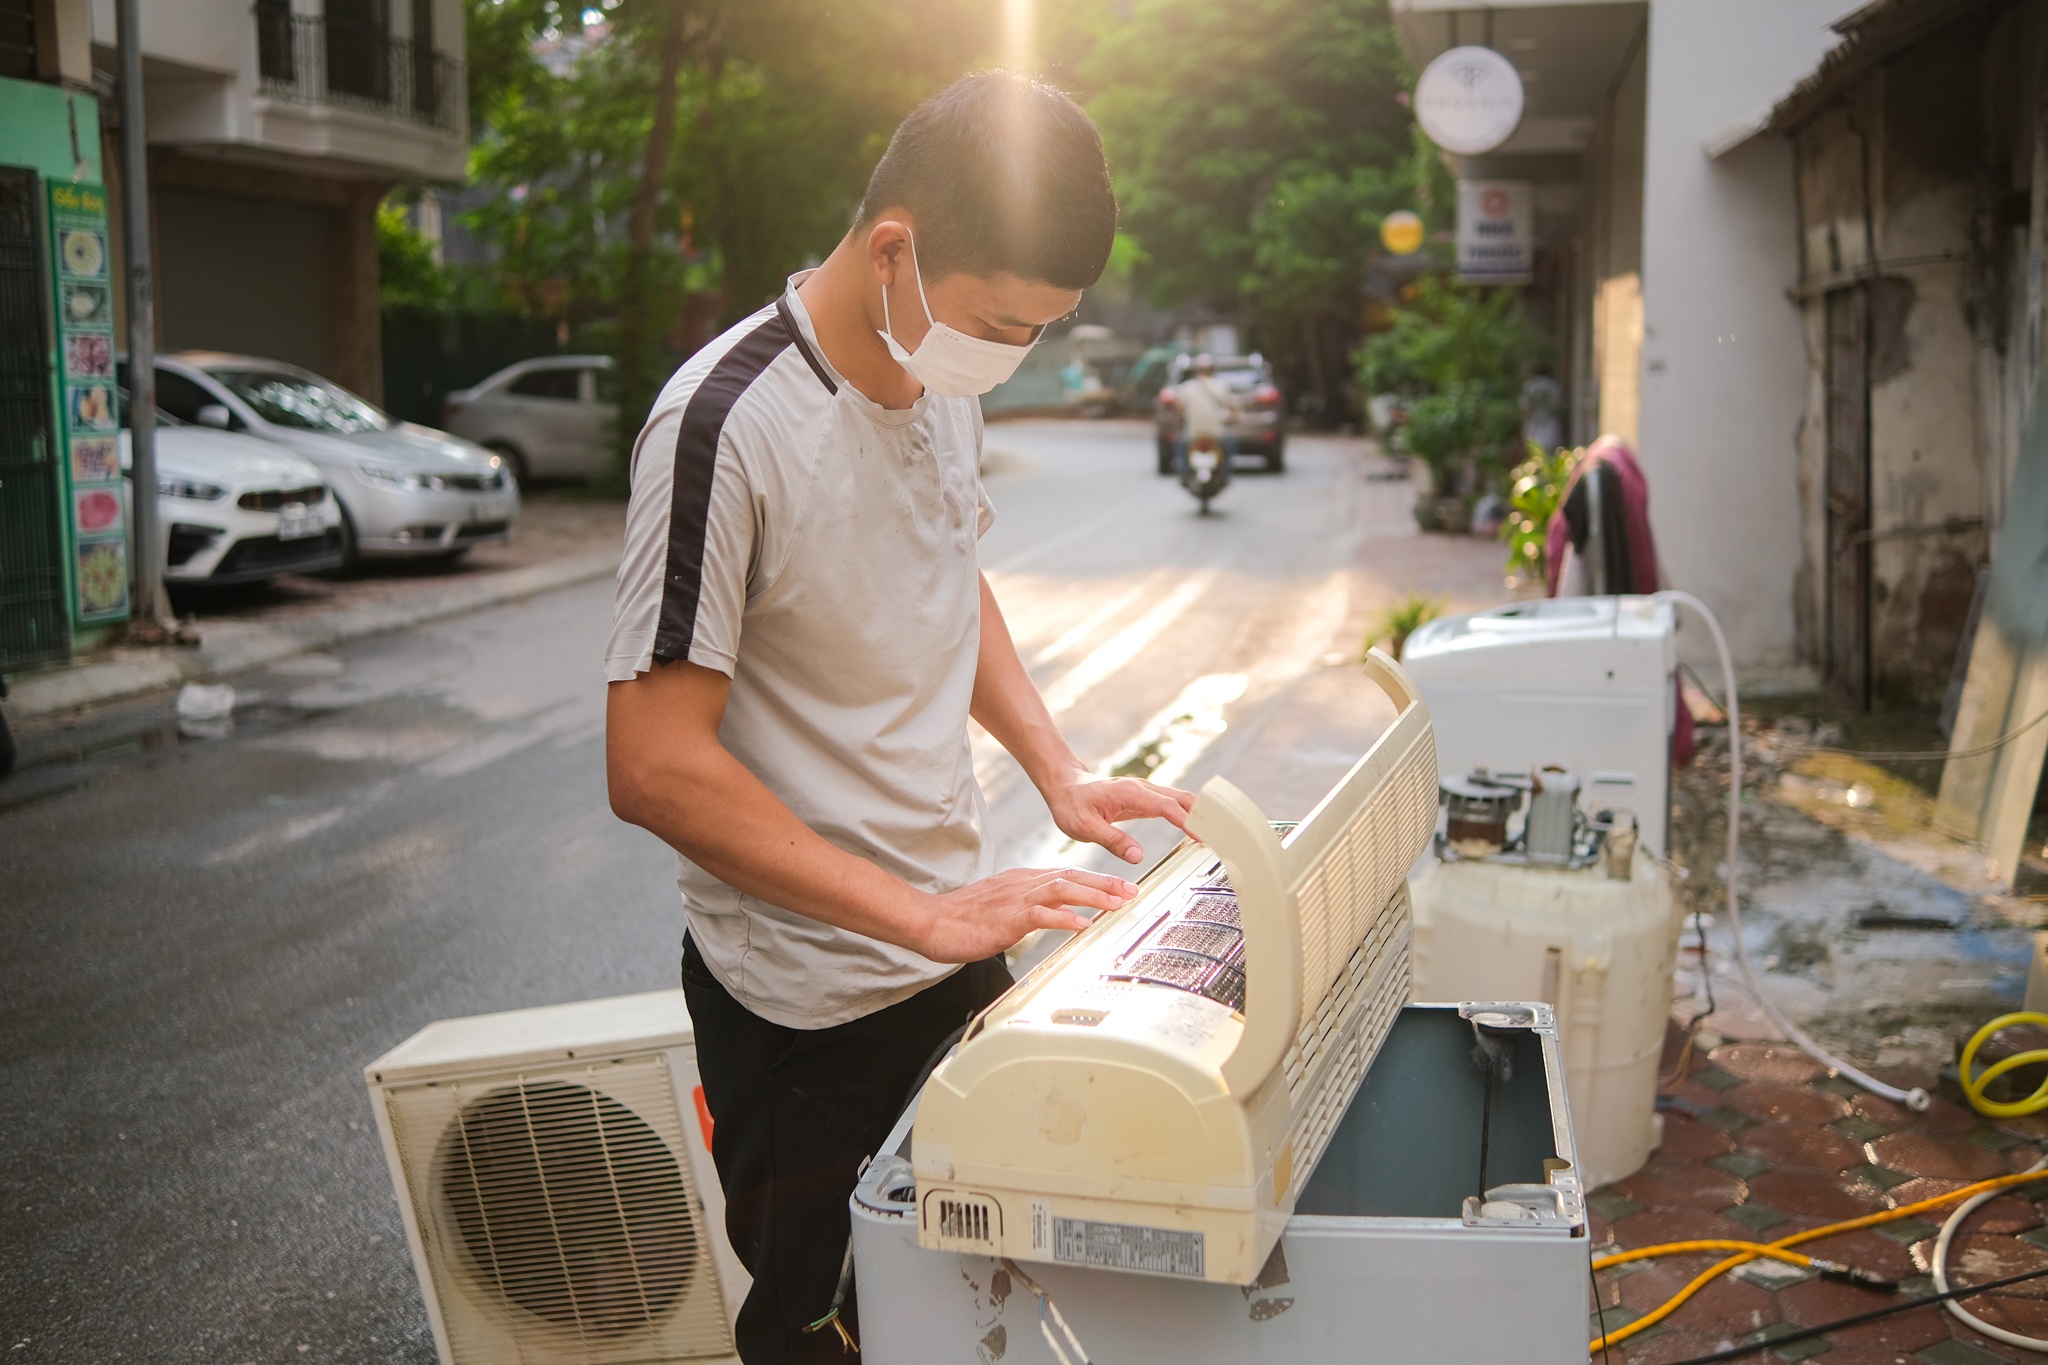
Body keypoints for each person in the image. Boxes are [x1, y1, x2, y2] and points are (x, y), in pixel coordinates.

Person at [604, 71, 1196, 1364]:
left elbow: (949, 574)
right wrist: (919, 913)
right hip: (803, 1012)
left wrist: (1057, 770)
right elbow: (651, 767)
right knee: (827, 1330)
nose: (1008, 355)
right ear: (893, 250)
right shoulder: (723, 427)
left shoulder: (943, 377)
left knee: (979, 1301)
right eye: (999, 321)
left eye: (1039, 331)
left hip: (950, 950)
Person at [1172, 353, 1239, 471]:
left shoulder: (1187, 387)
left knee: (1181, 447)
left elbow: (1179, 410)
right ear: (1212, 370)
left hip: (1193, 433)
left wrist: (1181, 420)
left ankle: (1184, 474)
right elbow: (1233, 409)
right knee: (1230, 446)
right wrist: (1234, 418)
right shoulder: (1221, 386)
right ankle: (1225, 474)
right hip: (1216, 433)